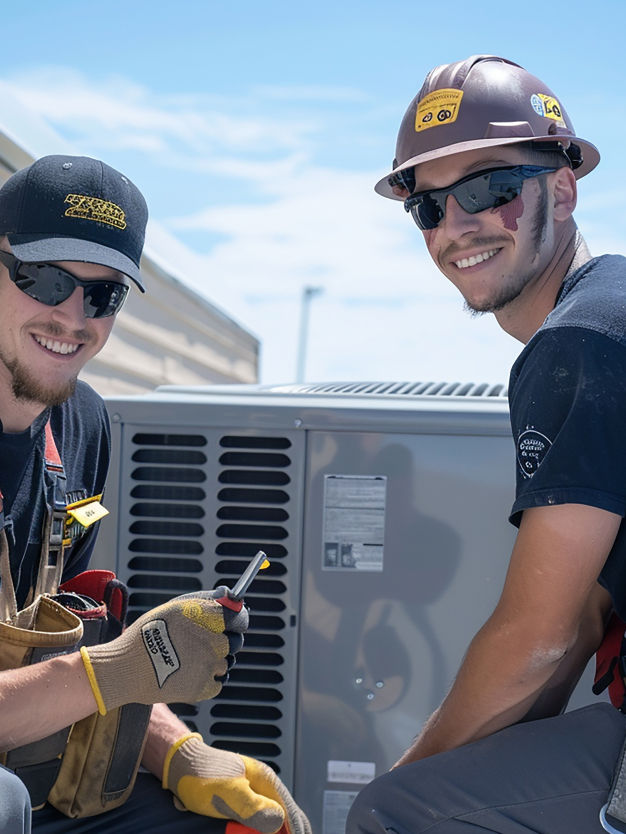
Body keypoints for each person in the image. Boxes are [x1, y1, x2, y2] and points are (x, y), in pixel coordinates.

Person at [347, 55, 626, 834]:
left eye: (487, 189)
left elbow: (537, 637)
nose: (455, 226)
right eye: (428, 206)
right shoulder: (607, 315)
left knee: (390, 813)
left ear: (562, 191)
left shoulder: (580, 341)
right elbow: (578, 622)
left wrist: (411, 778)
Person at [0, 155, 310, 834]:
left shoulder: (82, 426)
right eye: (45, 278)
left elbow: (71, 647)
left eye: (102, 296)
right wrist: (123, 669)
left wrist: (179, 752)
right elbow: (99, 672)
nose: (71, 315)